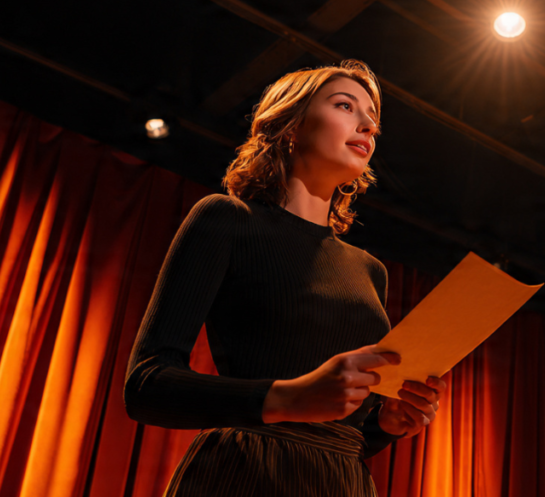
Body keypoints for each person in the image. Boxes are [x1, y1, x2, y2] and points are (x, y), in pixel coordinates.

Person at [124, 59, 446, 496]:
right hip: (244, 473)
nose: (368, 127)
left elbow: (332, 435)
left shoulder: (371, 270)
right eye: (345, 106)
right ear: (291, 126)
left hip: (344, 482)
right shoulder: (226, 219)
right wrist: (287, 397)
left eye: (373, 121)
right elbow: (147, 385)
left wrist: (385, 425)